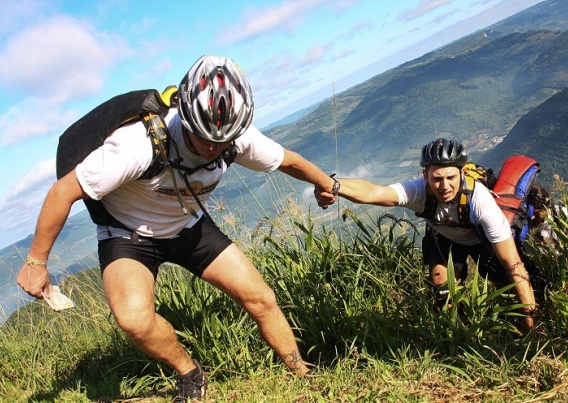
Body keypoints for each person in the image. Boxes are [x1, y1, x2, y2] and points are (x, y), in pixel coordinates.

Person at [17, 55, 339, 401]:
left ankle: (301, 372)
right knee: (133, 319)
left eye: (224, 142)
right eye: (204, 139)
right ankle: (190, 373)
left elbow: (287, 159)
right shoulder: (135, 145)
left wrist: (326, 185)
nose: (215, 149)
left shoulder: (236, 137)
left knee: (260, 297)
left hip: (190, 226)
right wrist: (36, 262)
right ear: (184, 118)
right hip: (129, 236)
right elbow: (63, 191)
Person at [315, 138, 537, 330]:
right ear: (425, 175)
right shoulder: (418, 191)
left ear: (462, 172)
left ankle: (516, 324)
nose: (444, 186)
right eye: (437, 178)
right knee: (443, 289)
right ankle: (459, 334)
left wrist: (530, 323)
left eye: (451, 177)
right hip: (445, 237)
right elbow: (376, 192)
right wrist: (334, 185)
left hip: (481, 238)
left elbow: (513, 264)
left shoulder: (479, 201)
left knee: (505, 287)